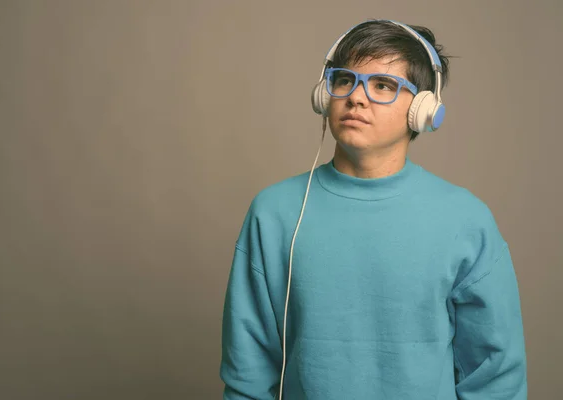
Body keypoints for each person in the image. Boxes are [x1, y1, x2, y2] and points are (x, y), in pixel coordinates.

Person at [220, 19, 527, 399]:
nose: (357, 97)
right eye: (344, 80)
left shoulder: (466, 220)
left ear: (423, 109)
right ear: (324, 93)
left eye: (383, 85)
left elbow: (495, 375)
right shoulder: (275, 213)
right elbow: (248, 367)